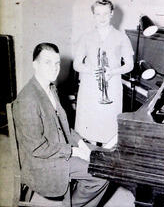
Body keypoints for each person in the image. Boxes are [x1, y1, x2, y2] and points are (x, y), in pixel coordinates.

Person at [13, 43, 108, 206]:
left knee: (105, 159)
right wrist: (72, 151)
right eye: (47, 62)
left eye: (57, 63)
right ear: (35, 65)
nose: (54, 68)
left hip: (57, 148)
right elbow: (37, 148)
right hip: (42, 162)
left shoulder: (50, 88)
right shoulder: (27, 100)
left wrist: (80, 144)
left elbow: (63, 126)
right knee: (101, 175)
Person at [73, 0, 134, 146]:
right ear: (93, 15)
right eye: (98, 14)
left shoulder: (121, 37)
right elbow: (76, 64)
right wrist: (91, 69)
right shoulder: (86, 37)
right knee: (89, 129)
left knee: (108, 129)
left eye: (105, 14)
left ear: (112, 14)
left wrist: (113, 71)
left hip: (111, 87)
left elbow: (129, 65)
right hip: (90, 88)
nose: (102, 18)